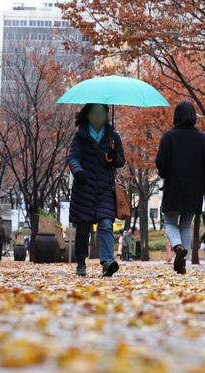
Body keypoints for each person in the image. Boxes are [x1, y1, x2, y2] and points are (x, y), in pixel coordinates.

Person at [155, 101, 205, 274]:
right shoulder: (202, 139)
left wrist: (164, 173)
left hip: (173, 186)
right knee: (186, 224)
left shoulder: (168, 137)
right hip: (194, 189)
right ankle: (183, 261)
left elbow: (160, 162)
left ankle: (177, 246)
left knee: (170, 221)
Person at [68, 103, 125, 277]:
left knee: (106, 224)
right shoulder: (80, 137)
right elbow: (73, 158)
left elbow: (121, 161)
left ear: (107, 115)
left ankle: (107, 261)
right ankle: (81, 262)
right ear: (88, 115)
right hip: (84, 188)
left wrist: (115, 157)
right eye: (95, 113)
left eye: (102, 113)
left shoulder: (113, 137)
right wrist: (78, 172)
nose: (99, 117)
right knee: (83, 229)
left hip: (105, 189)